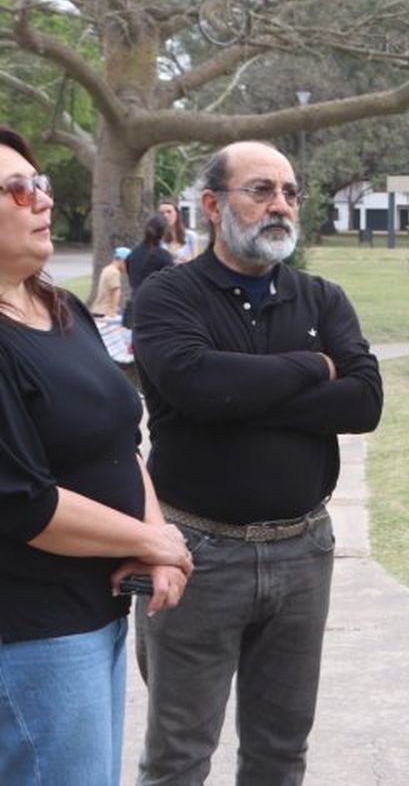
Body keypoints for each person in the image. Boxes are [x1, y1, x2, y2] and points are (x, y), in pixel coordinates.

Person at [130, 141, 383, 785]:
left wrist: (240, 398)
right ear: (213, 206)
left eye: (290, 193)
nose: (281, 206)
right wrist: (310, 368)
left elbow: (364, 401)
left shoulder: (321, 298)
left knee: (280, 752)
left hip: (303, 553)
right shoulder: (168, 296)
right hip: (196, 556)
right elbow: (194, 386)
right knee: (179, 755)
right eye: (261, 190)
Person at [0, 126, 192, 786]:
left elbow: (120, 439)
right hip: (32, 635)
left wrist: (151, 541)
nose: (44, 200)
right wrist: (154, 540)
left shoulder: (60, 309)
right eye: (19, 189)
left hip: (96, 616)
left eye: (42, 185)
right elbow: (24, 504)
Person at [123, 213, 173, 327]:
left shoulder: (133, 254)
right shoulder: (163, 256)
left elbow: (131, 277)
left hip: (136, 305)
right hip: (157, 309)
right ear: (164, 232)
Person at [91, 245, 131, 319]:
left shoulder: (107, 269)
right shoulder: (114, 272)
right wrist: (113, 311)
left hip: (98, 309)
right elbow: (116, 292)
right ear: (122, 260)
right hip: (105, 312)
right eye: (128, 263)